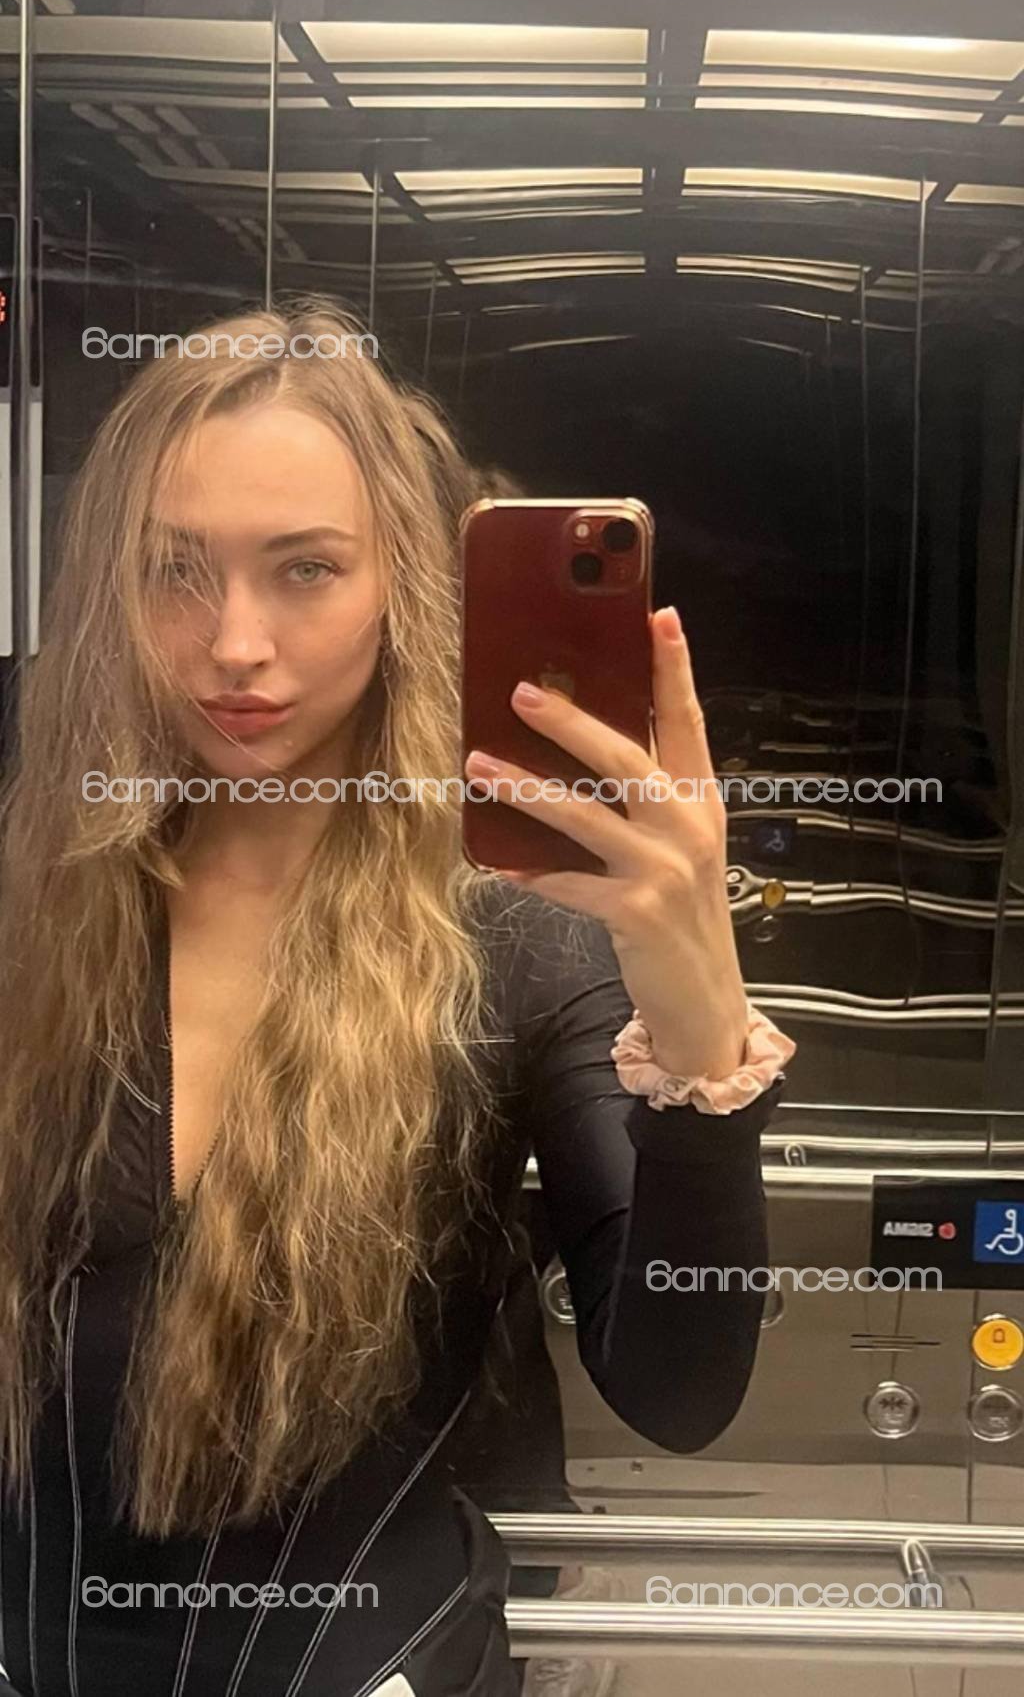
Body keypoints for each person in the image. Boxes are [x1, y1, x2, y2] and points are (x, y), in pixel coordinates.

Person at [0, 298, 795, 1697]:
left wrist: (695, 1008)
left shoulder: (517, 933)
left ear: (402, 585)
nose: (235, 643)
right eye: (175, 571)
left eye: (305, 569)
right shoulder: (34, 903)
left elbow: (680, 1390)